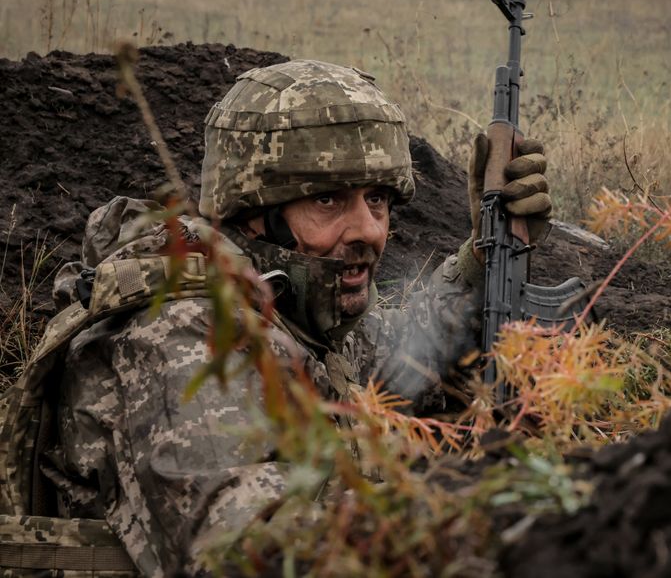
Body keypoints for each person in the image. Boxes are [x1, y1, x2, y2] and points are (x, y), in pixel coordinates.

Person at [0, 59, 552, 576]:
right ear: (253, 215)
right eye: (330, 202)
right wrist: (467, 526)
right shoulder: (185, 336)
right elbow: (247, 552)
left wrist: (483, 258)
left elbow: (395, 361)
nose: (369, 230)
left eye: (378, 199)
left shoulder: (289, 305)